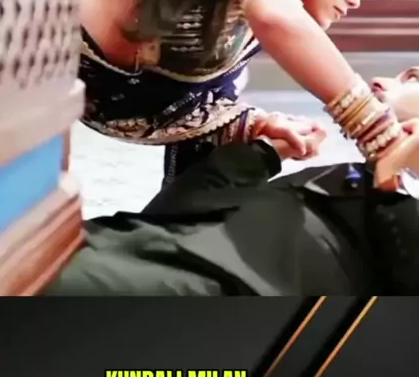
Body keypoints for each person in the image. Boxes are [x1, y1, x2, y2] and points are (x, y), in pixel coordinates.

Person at [78, 0, 403, 184]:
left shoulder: (239, 26)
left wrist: (253, 125)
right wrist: (377, 130)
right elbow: (276, 16)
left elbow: (178, 116)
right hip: (51, 7)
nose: (355, 0)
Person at [43, 68, 419, 297]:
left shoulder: (389, 197)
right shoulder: (350, 176)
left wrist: (391, 183)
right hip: (125, 244)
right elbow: (175, 211)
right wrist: (263, 154)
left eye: (413, 77)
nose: (379, 80)